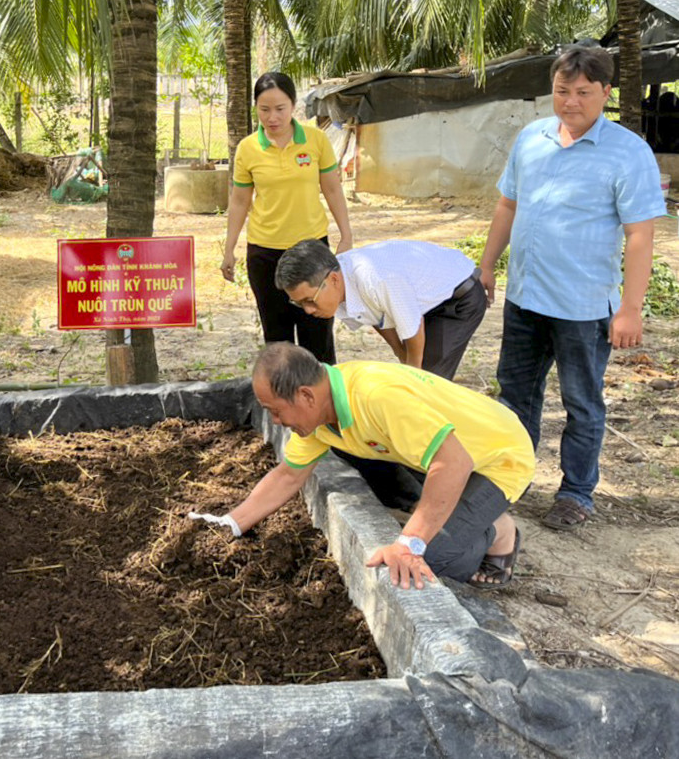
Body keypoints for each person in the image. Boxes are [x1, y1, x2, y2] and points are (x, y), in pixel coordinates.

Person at [479, 46, 667, 532]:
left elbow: (640, 234)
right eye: (562, 91)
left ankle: (576, 492)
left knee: (582, 403)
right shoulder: (531, 138)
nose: (570, 102)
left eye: (584, 92)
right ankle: (509, 480)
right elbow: (507, 206)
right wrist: (486, 268)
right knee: (516, 395)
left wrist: (631, 308)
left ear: (606, 92)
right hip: (525, 298)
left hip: (583, 307)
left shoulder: (628, 152)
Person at [190, 343, 534, 590]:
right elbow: (288, 475)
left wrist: (410, 543)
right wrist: (230, 524)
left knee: (429, 561)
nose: (276, 421)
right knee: (422, 524)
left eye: (276, 411)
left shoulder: (375, 396)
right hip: (445, 452)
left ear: (306, 396)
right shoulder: (320, 415)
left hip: (497, 458)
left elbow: (454, 462)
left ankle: (498, 531)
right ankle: (453, 512)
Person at [221, 72, 353, 361]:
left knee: (317, 335)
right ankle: (283, 402)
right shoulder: (247, 148)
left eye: (280, 108)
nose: (272, 117)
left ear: (293, 105)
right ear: (255, 107)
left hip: (312, 252)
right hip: (265, 254)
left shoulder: (316, 141)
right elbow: (241, 200)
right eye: (264, 109)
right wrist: (229, 249)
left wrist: (346, 235)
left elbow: (331, 188)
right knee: (277, 339)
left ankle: (324, 401)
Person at [275, 239, 485, 380]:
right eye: (299, 304)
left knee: (427, 381)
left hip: (457, 299)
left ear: (333, 279)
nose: (308, 310)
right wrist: (400, 354)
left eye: (309, 300)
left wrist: (412, 371)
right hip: (424, 303)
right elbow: (376, 316)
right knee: (414, 375)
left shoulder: (375, 278)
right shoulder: (342, 282)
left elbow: (413, 325)